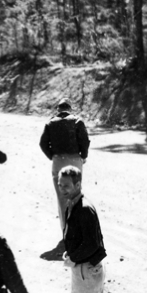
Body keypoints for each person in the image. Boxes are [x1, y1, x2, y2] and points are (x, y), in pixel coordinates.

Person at [39, 98, 91, 241]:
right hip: (75, 160)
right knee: (75, 195)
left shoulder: (50, 123)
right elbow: (84, 141)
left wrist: (53, 156)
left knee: (62, 198)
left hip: (58, 161)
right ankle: (79, 231)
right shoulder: (77, 121)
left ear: (58, 109)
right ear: (70, 108)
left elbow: (43, 143)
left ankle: (66, 233)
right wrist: (83, 156)